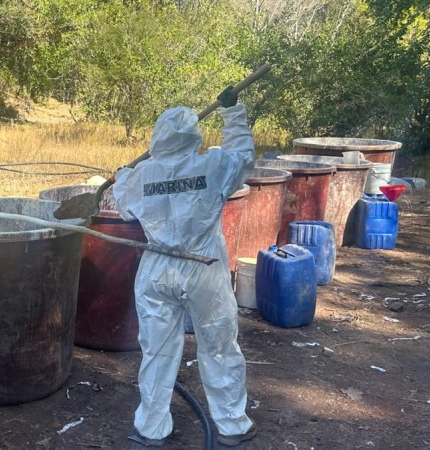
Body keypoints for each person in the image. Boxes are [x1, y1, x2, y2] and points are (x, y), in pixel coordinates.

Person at [113, 87, 257, 447]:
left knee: (157, 351)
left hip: (157, 269)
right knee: (219, 345)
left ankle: (150, 428)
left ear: (158, 138)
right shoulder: (214, 165)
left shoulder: (140, 175)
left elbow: (123, 206)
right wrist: (233, 114)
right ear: (194, 135)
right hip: (203, 268)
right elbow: (243, 156)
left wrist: (119, 176)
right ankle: (232, 426)